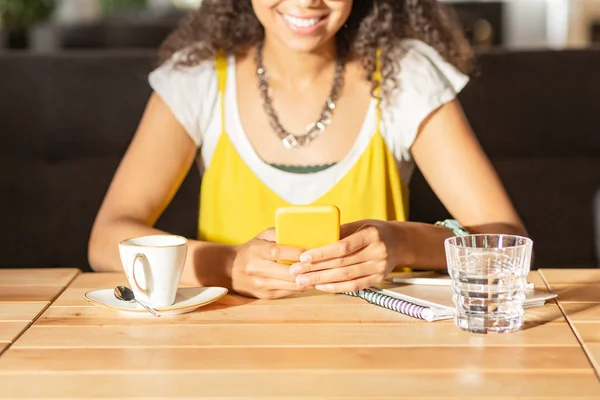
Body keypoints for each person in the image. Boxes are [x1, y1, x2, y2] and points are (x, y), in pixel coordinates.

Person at [88, 0, 527, 299]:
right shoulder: (198, 79)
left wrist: (401, 242)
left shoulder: (405, 76)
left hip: (382, 355)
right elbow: (107, 238)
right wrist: (226, 264)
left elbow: (511, 241)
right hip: (228, 355)